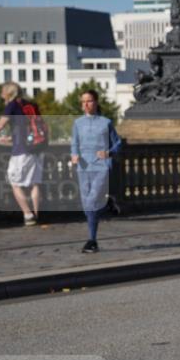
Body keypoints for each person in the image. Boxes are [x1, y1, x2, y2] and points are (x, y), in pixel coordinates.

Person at [0, 81, 44, 225]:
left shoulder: (12, 105)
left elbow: (0, 124)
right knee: (35, 184)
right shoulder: (30, 105)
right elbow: (31, 127)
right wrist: (12, 137)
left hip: (21, 151)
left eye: (2, 91)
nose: (1, 94)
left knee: (15, 183)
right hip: (37, 148)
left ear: (8, 93)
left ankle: (28, 215)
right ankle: (37, 215)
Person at [70, 89, 122, 253]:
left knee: (91, 202)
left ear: (96, 102)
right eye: (83, 102)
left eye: (89, 101)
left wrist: (109, 153)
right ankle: (107, 204)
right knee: (86, 205)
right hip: (83, 167)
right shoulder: (77, 123)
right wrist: (74, 155)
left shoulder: (105, 122)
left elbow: (118, 143)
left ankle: (92, 240)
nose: (86, 104)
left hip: (101, 166)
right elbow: (74, 143)